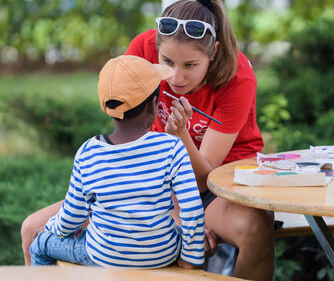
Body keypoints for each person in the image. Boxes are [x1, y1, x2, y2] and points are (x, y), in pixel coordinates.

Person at [21, 0, 274, 280]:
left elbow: (205, 178)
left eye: (190, 65)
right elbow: (125, 131)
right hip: (155, 179)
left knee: (256, 229)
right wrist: (172, 217)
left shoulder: (237, 78)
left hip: (220, 185)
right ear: (155, 48)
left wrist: (181, 143)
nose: (176, 78)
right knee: (32, 229)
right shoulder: (141, 50)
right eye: (167, 62)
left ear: (213, 52)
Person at [29, 55, 205, 268]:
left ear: (106, 107)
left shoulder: (88, 153)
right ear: (153, 106)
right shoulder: (172, 147)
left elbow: (72, 218)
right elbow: (192, 210)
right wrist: (189, 259)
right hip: (161, 254)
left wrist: (51, 227)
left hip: (104, 256)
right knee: (188, 234)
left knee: (39, 244)